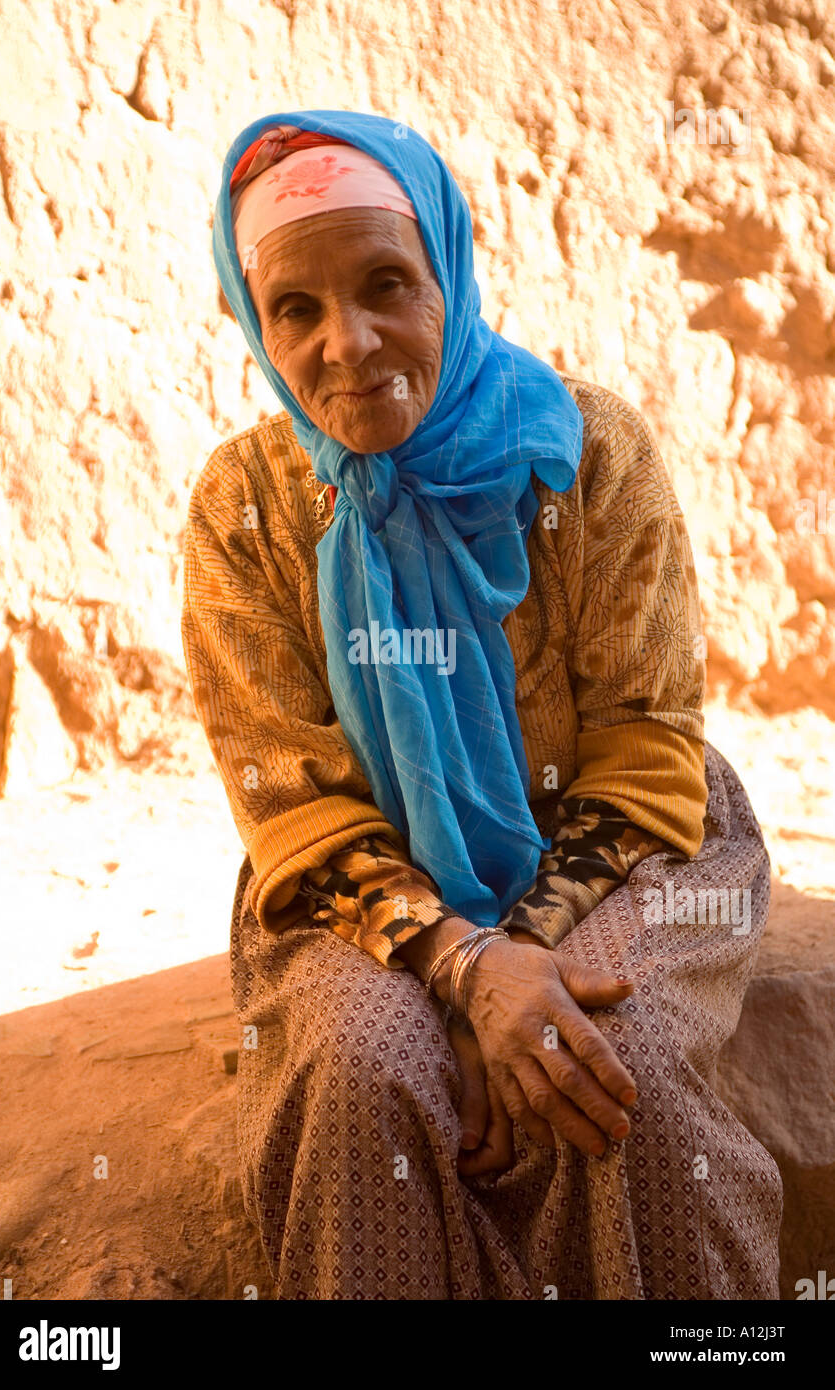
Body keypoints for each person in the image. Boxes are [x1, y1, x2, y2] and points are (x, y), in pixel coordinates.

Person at [181, 109, 782, 1299]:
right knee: (360, 1073)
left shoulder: (583, 451)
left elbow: (644, 745)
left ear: (448, 268)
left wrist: (511, 970)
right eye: (293, 309)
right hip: (361, 884)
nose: (346, 345)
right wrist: (460, 971)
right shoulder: (243, 507)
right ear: (253, 321)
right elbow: (292, 803)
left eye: (385, 285)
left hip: (623, 849)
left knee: (608, 1068)